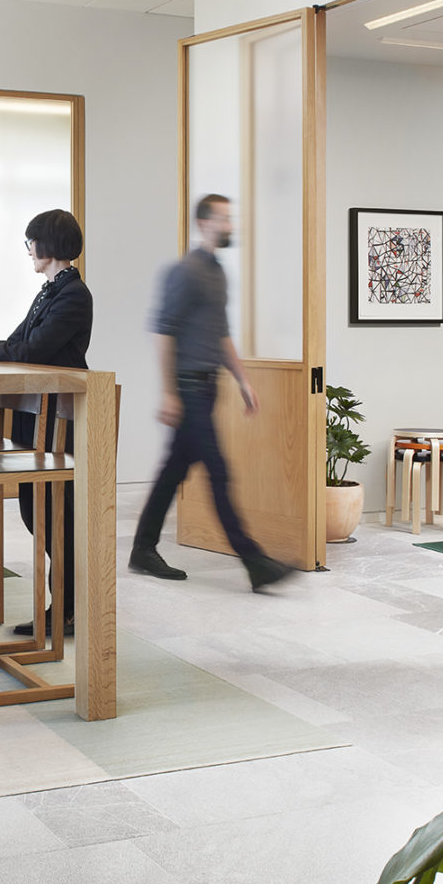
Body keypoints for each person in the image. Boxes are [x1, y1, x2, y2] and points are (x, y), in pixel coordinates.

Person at [131, 194, 294, 591]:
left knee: (173, 472)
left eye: (230, 218)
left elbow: (221, 336)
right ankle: (255, 563)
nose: (230, 225)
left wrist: (242, 381)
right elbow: (162, 332)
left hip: (209, 388)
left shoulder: (219, 273)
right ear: (204, 223)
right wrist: (169, 393)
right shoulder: (183, 272)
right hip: (187, 390)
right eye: (223, 219)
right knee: (218, 471)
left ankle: (142, 549)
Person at [0, 209, 91, 637]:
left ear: (46, 244)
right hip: (34, 415)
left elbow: (29, 349)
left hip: (58, 418)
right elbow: (18, 343)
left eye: (29, 242)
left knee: (56, 514)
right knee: (34, 510)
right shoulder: (50, 291)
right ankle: (65, 606)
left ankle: (69, 609)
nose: (28, 251)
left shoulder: (74, 294)